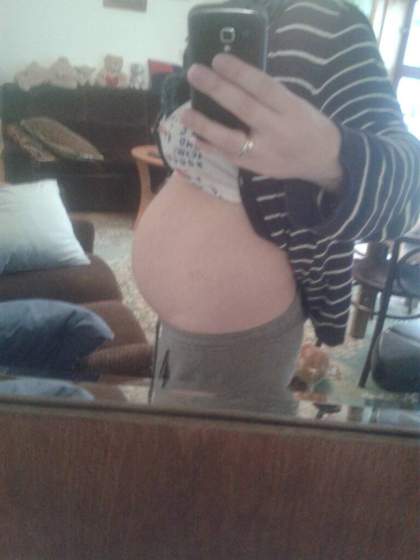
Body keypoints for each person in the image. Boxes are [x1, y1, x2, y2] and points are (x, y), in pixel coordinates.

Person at [132, 0, 420, 411]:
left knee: (222, 452)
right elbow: (196, 156)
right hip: (181, 332)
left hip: (239, 336)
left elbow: (410, 191)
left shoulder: (329, 26)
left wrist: (331, 157)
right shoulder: (225, 20)